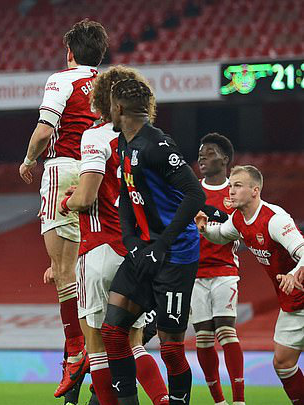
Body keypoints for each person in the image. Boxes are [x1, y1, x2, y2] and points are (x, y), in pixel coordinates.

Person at [57, 66, 169, 405]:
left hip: (100, 249)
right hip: (138, 251)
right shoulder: (152, 139)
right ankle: (164, 399)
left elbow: (87, 197)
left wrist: (67, 200)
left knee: (98, 348)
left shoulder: (95, 136)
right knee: (133, 343)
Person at [99, 78, 206, 405]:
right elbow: (128, 197)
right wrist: (132, 241)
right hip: (142, 252)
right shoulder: (123, 144)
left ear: (117, 108)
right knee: (113, 332)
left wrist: (161, 245)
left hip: (175, 257)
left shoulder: (157, 146)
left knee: (171, 348)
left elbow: (195, 194)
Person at [18, 18, 109, 397]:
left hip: (65, 169)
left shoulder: (62, 79)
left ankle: (75, 351)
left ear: (70, 52)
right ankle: (99, 347)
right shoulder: (109, 85)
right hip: (102, 171)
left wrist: (27, 160)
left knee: (62, 271)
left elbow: (44, 129)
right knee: (89, 263)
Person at [197, 165, 304, 404]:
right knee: (283, 363)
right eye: (230, 185)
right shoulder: (238, 220)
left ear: (255, 191)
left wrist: (294, 273)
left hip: (298, 291)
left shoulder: (275, 220)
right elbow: (221, 234)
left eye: (237, 186)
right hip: (293, 302)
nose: (230, 191)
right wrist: (204, 228)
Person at [192, 133, 245, 405]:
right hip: (194, 274)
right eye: (201, 152)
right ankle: (219, 401)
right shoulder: (191, 189)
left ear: (224, 159)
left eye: (209, 152)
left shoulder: (234, 193)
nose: (202, 156)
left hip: (224, 270)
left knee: (226, 331)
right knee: (202, 338)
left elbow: (247, 229)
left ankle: (238, 400)